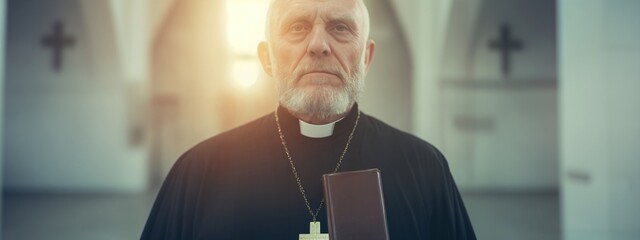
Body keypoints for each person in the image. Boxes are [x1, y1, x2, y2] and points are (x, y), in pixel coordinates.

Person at [141, 0, 476, 239]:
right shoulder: (199, 171)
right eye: (297, 27)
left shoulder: (424, 167)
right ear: (267, 58)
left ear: (367, 57)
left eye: (340, 28)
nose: (318, 45)